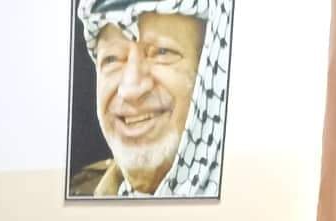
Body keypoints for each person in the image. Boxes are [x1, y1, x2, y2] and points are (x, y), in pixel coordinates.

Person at [68, 0, 233, 198]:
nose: (131, 89)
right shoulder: (80, 192)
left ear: (210, 74)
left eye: (162, 52)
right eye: (112, 59)